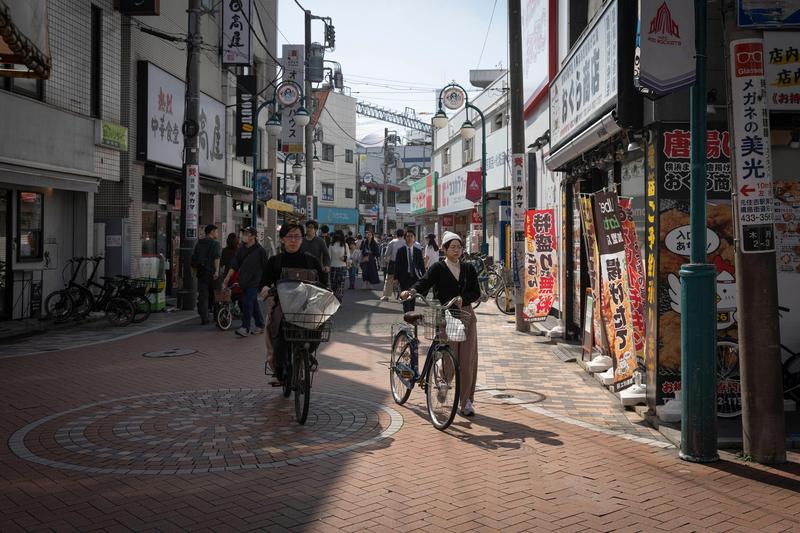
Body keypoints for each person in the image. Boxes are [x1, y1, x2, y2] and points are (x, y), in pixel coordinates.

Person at [400, 231, 480, 417]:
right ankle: (443, 382)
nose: (456, 251)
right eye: (452, 247)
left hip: (466, 315)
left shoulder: (469, 268)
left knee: (468, 360)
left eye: (459, 247)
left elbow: (476, 292)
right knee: (448, 356)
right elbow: (424, 283)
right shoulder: (438, 268)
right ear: (444, 249)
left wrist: (463, 298)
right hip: (445, 315)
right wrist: (410, 291)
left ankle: (466, 401)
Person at [259, 222, 326, 384]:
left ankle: (307, 353)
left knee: (321, 322)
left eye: (297, 236)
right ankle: (279, 367)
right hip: (282, 306)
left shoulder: (311, 261)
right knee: (276, 327)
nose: (293, 240)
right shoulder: (275, 261)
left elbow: (324, 283)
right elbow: (264, 284)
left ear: (302, 239)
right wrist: (267, 290)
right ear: (282, 239)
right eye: (290, 236)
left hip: (307, 307)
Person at [222, 226, 270, 337]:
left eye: (247, 234)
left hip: (255, 282)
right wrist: (228, 277)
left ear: (253, 236)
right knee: (253, 303)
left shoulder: (260, 251)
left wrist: (266, 284)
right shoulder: (241, 250)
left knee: (247, 302)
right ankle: (260, 325)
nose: (244, 236)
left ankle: (245, 328)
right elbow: (235, 264)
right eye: (243, 233)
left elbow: (265, 268)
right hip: (243, 282)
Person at [190, 224, 221, 325]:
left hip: (201, 273)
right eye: (216, 231)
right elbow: (216, 258)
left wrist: (194, 272)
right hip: (212, 273)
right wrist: (216, 271)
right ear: (211, 232)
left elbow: (194, 259)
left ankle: (204, 318)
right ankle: (217, 316)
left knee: (203, 296)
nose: (217, 233)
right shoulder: (215, 244)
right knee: (216, 295)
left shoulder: (199, 243)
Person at [394, 229, 426, 313]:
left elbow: (422, 266)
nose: (409, 238)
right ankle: (406, 315)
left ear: (414, 238)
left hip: (414, 277)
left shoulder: (418, 251)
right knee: (405, 297)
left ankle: (411, 315)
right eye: (408, 236)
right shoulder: (400, 251)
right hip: (404, 277)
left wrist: (425, 277)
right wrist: (396, 278)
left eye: (411, 236)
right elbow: (397, 265)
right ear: (405, 238)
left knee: (412, 297)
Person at [380, 228, 405, 301]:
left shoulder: (392, 242)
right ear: (403, 235)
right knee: (403, 280)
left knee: (389, 280)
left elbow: (387, 254)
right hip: (404, 264)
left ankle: (386, 296)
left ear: (396, 235)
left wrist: (386, 260)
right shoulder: (405, 242)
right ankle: (403, 297)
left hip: (393, 263)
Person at [329, 230, 349, 302]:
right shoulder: (331, 245)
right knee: (333, 285)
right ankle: (334, 300)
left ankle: (339, 301)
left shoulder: (345, 245)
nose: (338, 236)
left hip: (342, 267)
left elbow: (348, 256)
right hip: (333, 267)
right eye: (337, 235)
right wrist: (328, 267)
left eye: (339, 235)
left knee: (341, 285)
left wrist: (345, 258)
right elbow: (329, 257)